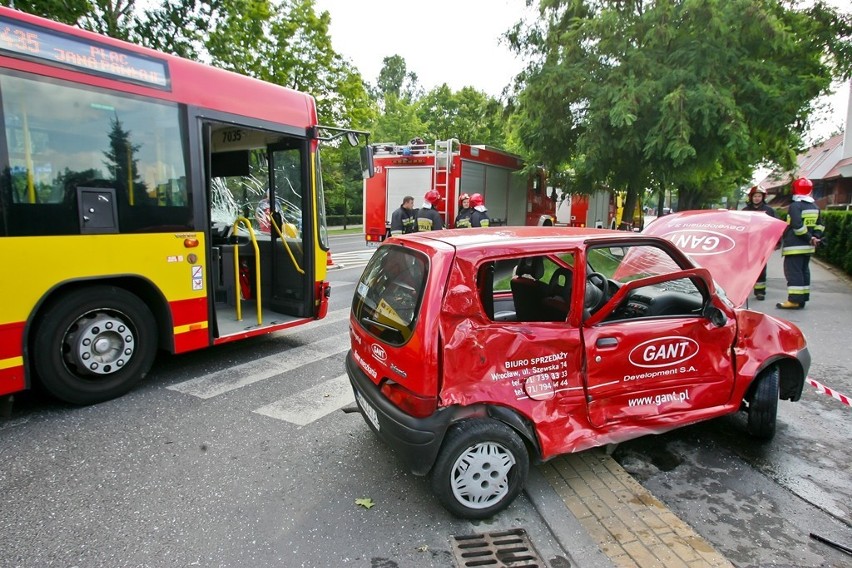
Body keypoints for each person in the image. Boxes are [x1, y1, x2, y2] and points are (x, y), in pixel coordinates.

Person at [777, 177, 824, 310]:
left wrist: (809, 238)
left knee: (793, 272)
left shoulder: (795, 206)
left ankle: (794, 300)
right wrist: (815, 237)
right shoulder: (814, 206)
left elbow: (797, 226)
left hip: (795, 246)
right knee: (804, 271)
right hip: (808, 247)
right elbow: (820, 225)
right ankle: (802, 298)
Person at [741, 186, 777, 300]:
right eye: (755, 196)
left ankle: (760, 291)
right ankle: (743, 291)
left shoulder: (769, 211)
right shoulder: (745, 211)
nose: (757, 198)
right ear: (751, 197)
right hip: (748, 243)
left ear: (763, 197)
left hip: (762, 243)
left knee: (760, 268)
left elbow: (775, 227)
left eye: (759, 196)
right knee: (746, 268)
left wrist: (776, 242)